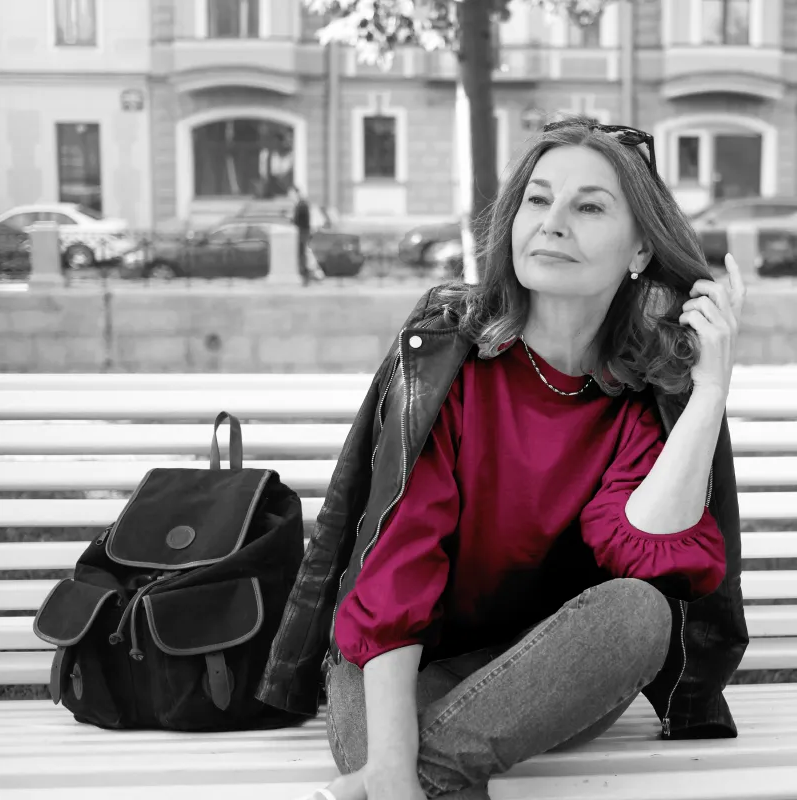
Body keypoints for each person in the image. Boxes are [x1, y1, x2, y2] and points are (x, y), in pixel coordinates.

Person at [259, 117, 749, 800]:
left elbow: (646, 549)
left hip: (544, 673)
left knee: (641, 612)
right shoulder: (451, 356)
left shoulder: (643, 394)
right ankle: (427, 774)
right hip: (393, 658)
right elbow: (397, 562)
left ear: (640, 247)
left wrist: (711, 390)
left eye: (588, 206)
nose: (552, 223)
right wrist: (396, 766)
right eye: (537, 199)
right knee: (405, 769)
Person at [287, 185, 315, 285]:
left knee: (302, 255)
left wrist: (291, 218)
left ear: (296, 193)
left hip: (302, 233)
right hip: (302, 233)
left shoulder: (301, 205)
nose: (290, 196)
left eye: (291, 194)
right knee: (303, 255)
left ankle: (306, 277)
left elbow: (298, 221)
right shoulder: (300, 204)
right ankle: (306, 276)